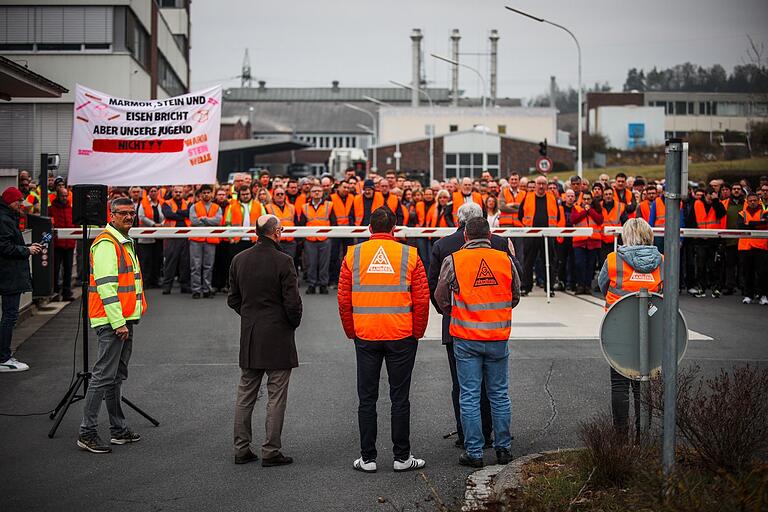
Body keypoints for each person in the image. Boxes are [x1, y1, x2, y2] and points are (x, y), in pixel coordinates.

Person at [337, 207, 430, 473]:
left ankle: (367, 458)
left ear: (369, 228)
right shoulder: (409, 255)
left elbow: (344, 298)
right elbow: (422, 298)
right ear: (394, 228)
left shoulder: (353, 255)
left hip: (365, 334)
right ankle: (402, 457)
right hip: (401, 334)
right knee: (400, 397)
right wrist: (418, 332)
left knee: (367, 398)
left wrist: (351, 330)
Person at [428, 202, 521, 453]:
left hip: (465, 334)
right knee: (499, 394)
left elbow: (438, 294)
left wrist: (454, 312)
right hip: (497, 334)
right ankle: (503, 447)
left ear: (465, 235)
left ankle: (474, 450)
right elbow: (515, 295)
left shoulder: (453, 258)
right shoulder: (503, 256)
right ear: (490, 234)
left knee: (467, 393)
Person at [228, 214, 302, 467]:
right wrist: (290, 322)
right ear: (277, 232)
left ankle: (241, 448)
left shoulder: (239, 259)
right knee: (275, 396)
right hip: (278, 334)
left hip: (250, 334)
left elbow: (233, 299)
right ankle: (271, 450)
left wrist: (250, 317)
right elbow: (292, 302)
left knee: (245, 395)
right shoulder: (284, 261)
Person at [77, 197, 146, 453]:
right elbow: (107, 287)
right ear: (112, 215)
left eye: (132, 213)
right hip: (112, 322)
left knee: (115, 377)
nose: (129, 217)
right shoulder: (108, 243)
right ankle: (87, 432)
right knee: (103, 377)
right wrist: (118, 323)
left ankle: (117, 429)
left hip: (122, 319)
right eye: (124, 213)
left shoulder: (121, 241)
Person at [598, 218, 662, 436]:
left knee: (619, 384)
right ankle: (642, 435)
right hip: (651, 330)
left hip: (617, 329)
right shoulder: (662, 261)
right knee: (644, 383)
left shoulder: (613, 260)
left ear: (626, 236)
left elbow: (602, 284)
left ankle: (620, 436)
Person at [0, 187, 43, 372]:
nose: (21, 206)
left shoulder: (6, 217)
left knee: (8, 316)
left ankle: (4, 355)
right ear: (11, 201)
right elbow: (5, 247)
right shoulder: (4, 219)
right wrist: (26, 250)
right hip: (9, 275)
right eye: (19, 202)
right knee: (9, 316)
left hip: (8, 274)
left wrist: (26, 246)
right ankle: (3, 357)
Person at [518, 176, 561, 296]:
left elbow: (557, 216)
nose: (541, 186)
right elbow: (520, 214)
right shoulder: (527, 197)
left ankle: (550, 287)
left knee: (549, 261)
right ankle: (526, 287)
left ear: (546, 185)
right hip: (531, 235)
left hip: (548, 234)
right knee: (528, 261)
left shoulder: (552, 198)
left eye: (543, 184)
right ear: (535, 185)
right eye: (539, 184)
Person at [299, 185, 336, 294]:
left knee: (324, 264)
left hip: (325, 239)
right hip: (310, 240)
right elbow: (302, 223)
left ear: (322, 193)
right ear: (310, 193)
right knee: (311, 263)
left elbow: (333, 222)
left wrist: (330, 237)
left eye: (319, 191)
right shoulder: (304, 207)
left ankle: (323, 285)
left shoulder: (329, 205)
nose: (316, 193)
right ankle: (312, 285)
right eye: (314, 191)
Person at [189, 185, 222, 299]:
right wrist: (209, 221)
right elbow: (193, 221)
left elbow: (218, 221)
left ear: (211, 194)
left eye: (208, 192)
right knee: (195, 266)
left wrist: (203, 218)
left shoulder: (217, 207)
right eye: (204, 192)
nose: (206, 194)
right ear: (200, 194)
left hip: (210, 240)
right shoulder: (194, 207)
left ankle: (207, 289)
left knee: (209, 266)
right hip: (196, 240)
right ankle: (196, 290)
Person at [737, 192, 768, 305]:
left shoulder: (765, 212)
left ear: (758, 200)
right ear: (747, 201)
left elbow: (766, 224)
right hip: (746, 247)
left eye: (755, 200)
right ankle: (748, 295)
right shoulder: (742, 213)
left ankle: (763, 295)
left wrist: (750, 224)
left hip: (761, 246)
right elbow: (740, 226)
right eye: (750, 200)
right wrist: (758, 224)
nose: (753, 202)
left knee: (763, 273)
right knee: (747, 273)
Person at [571, 190, 604, 295]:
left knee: (591, 265)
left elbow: (599, 220)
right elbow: (573, 219)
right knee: (579, 264)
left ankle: (588, 286)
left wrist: (590, 211)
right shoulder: (576, 208)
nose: (586, 201)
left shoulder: (597, 209)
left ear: (592, 199)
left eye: (588, 199)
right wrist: (585, 211)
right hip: (579, 241)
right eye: (584, 199)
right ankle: (580, 285)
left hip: (593, 241)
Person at [161, 186, 191, 295]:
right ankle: (167, 286)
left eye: (180, 192)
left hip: (186, 236)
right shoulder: (166, 203)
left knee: (185, 262)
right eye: (176, 192)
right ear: (172, 192)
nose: (178, 193)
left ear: (183, 193)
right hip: (171, 236)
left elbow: (189, 214)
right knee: (170, 262)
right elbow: (168, 214)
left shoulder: (188, 203)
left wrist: (177, 212)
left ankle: (185, 286)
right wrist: (182, 215)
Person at [48, 183, 76, 301]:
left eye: (66, 195)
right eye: (62, 196)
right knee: (55, 270)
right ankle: (55, 293)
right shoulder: (51, 210)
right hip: (57, 245)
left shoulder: (71, 209)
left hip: (69, 244)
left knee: (68, 270)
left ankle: (66, 292)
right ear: (57, 196)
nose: (64, 198)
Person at [137, 186, 165, 289]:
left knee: (157, 259)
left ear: (158, 192)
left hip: (159, 236)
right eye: (151, 191)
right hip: (146, 236)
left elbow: (166, 214)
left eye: (155, 191)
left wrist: (162, 224)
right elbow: (141, 216)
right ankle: (145, 281)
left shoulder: (162, 202)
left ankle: (155, 280)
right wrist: (153, 225)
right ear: (148, 193)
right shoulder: (143, 203)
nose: (153, 193)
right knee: (146, 260)